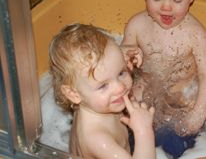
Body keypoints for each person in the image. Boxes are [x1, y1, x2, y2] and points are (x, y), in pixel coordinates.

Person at [121, 0, 206, 158]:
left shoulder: (196, 35)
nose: (166, 7)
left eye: (177, 0)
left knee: (176, 145)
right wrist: (126, 55)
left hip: (181, 103)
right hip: (143, 100)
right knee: (123, 135)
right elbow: (122, 66)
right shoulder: (137, 25)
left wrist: (197, 115)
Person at [49, 24, 156, 159]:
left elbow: (105, 69)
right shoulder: (98, 140)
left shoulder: (89, 98)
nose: (120, 88)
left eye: (121, 73)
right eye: (103, 86)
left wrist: (121, 60)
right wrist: (143, 131)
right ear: (73, 94)